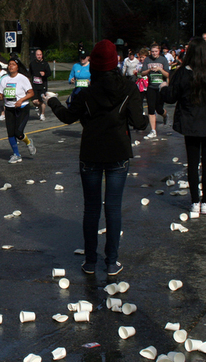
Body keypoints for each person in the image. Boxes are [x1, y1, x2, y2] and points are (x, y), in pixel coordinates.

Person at [47, 40, 147, 276]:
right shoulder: (129, 89)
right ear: (115, 63)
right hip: (118, 152)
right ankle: (112, 261)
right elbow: (139, 123)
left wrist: (51, 101)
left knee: (91, 209)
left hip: (91, 152)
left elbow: (67, 117)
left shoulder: (86, 93)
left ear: (94, 65)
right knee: (113, 208)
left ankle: (90, 261)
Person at [160, 38, 206, 215]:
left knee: (193, 163)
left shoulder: (183, 72)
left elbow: (171, 97)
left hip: (190, 122)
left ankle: (194, 202)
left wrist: (163, 87)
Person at [0, 58, 36, 163]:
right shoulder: (4, 79)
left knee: (18, 133)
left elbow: (31, 93)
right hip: (9, 108)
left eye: (13, 64)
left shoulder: (22, 78)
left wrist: (21, 100)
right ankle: (16, 154)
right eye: (9, 64)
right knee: (10, 133)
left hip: (22, 108)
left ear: (17, 67)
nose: (11, 66)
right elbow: (1, 93)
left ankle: (28, 142)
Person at [140, 43, 169, 139]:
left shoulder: (163, 60)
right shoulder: (147, 60)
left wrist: (160, 69)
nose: (154, 53)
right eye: (152, 51)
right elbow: (142, 73)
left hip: (160, 87)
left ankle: (165, 114)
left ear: (159, 51)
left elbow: (168, 75)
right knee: (151, 109)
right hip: (151, 87)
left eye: (156, 51)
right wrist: (149, 70)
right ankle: (153, 130)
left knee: (159, 109)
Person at [29, 49, 52, 121]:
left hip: (42, 85)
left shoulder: (45, 64)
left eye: (40, 55)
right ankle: (40, 107)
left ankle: (42, 114)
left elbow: (49, 73)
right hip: (35, 85)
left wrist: (45, 74)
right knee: (34, 101)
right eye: (38, 55)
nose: (39, 56)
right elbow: (30, 74)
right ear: (35, 55)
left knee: (42, 99)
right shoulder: (32, 64)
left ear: (42, 55)